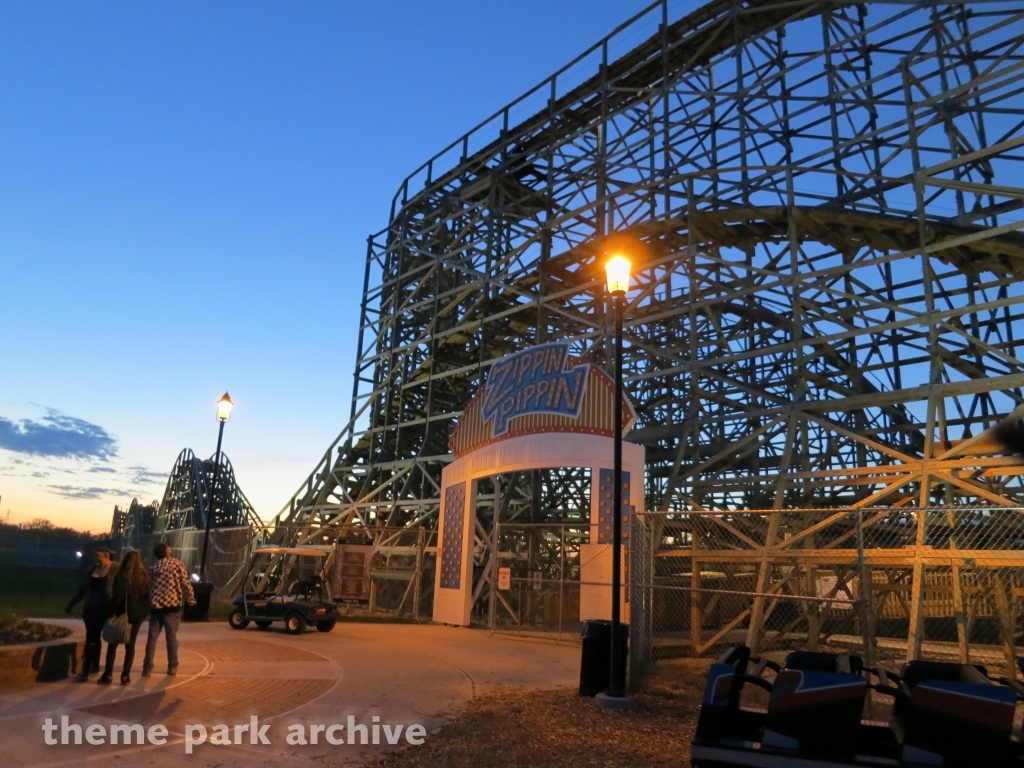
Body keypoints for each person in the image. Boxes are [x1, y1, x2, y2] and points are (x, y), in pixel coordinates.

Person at [65, 546, 120, 681]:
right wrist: (72, 604)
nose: (97, 561)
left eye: (99, 558)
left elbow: (121, 589)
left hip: (106, 609)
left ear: (107, 556)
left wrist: (118, 608)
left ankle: (92, 669)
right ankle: (90, 667)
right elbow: (82, 589)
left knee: (96, 638)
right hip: (90, 609)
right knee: (92, 638)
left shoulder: (115, 569)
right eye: (95, 557)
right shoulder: (92, 569)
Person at [142, 542, 195, 677]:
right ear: (166, 551)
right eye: (168, 547)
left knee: (152, 638)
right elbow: (185, 582)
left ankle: (147, 667)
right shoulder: (177, 564)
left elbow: (148, 586)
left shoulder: (153, 567)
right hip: (172, 606)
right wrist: (191, 599)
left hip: (156, 607)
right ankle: (172, 666)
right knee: (171, 638)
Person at [98, 549, 151, 685]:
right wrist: (144, 613)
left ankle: (108, 674)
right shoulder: (145, 576)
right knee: (130, 645)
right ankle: (125, 675)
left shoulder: (122, 576)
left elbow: (118, 597)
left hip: (122, 613)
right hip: (137, 615)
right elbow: (147, 597)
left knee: (113, 643)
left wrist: (112, 612)